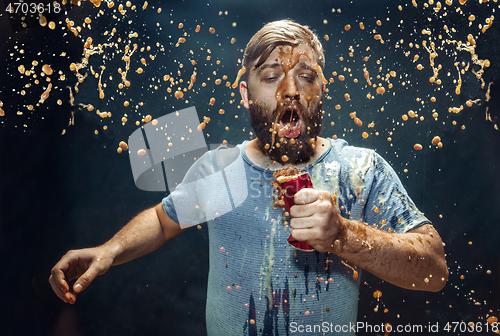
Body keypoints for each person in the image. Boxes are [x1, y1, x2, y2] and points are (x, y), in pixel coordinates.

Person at [49, 19, 448, 335]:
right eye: (272, 76)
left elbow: (434, 270)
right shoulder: (221, 172)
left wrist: (342, 235)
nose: (290, 90)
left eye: (306, 76)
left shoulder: (358, 170)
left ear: (322, 88)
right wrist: (109, 251)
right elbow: (161, 220)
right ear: (245, 93)